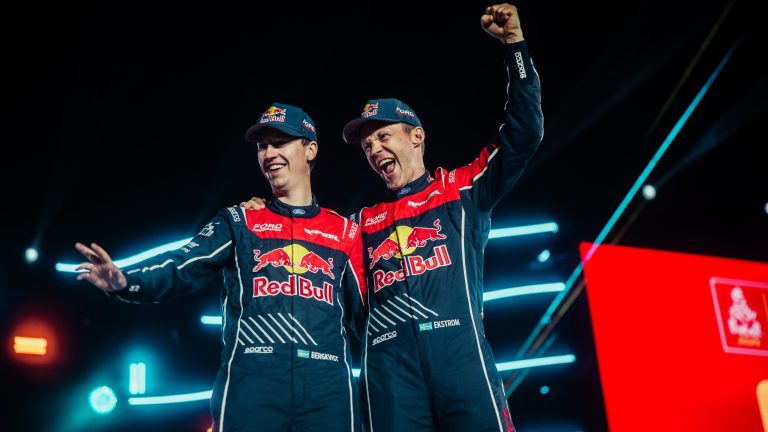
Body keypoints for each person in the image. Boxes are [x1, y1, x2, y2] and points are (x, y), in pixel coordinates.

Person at [242, 4, 542, 431]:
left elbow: (523, 134)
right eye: (367, 146)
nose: (374, 149)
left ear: (416, 136)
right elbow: (307, 242)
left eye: (383, 136)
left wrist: (515, 46)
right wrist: (263, 213)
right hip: (389, 374)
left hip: (461, 361)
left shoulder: (461, 191)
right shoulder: (359, 225)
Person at [75, 103, 367, 432]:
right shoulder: (239, 221)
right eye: (262, 146)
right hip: (253, 384)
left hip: (329, 390)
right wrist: (124, 281)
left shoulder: (345, 232)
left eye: (280, 143)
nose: (269, 153)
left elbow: (369, 319)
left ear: (310, 150)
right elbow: (180, 267)